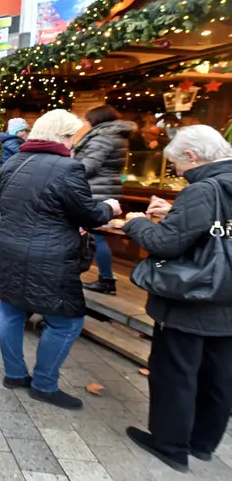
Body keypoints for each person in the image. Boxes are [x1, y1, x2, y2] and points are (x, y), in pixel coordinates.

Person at [121, 125, 232, 473]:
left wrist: (136, 222)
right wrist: (173, 212)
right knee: (219, 374)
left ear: (192, 156)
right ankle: (203, 442)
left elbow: (165, 244)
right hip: (227, 299)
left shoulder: (203, 189)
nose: (178, 172)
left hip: (192, 298)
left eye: (177, 164)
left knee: (176, 372)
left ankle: (170, 445)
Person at [0, 110, 121, 410]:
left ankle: (14, 374)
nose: (74, 143)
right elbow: (88, 214)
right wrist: (109, 207)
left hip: (8, 250)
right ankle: (44, 385)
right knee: (67, 322)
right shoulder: (68, 168)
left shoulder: (13, 162)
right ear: (63, 136)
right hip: (49, 257)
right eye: (72, 136)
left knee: (10, 312)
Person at [72, 105, 136, 295]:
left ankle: (106, 279)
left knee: (95, 235)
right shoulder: (116, 134)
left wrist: (68, 165)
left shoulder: (104, 137)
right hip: (106, 188)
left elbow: (87, 166)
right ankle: (105, 278)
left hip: (96, 190)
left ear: (96, 119)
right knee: (95, 235)